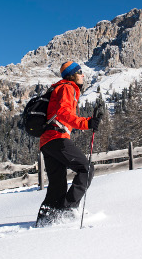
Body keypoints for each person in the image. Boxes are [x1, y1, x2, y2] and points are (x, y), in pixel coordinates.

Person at [35, 61, 102, 227]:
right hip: (56, 138)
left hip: (47, 141)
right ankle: (68, 209)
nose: (83, 75)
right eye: (79, 72)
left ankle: (46, 219)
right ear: (72, 74)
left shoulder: (60, 87)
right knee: (85, 168)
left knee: (57, 184)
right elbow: (63, 113)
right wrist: (87, 123)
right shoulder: (67, 87)